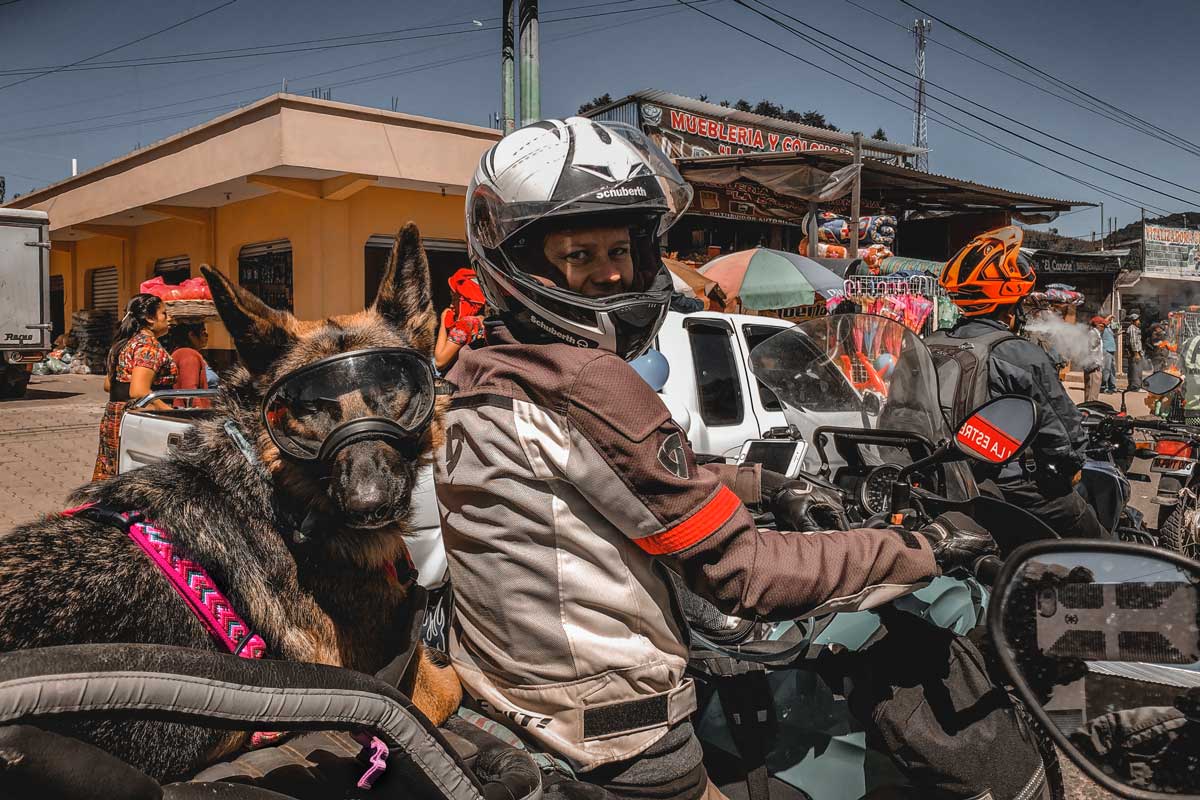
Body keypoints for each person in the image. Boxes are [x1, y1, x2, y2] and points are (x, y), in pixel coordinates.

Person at [436, 118, 1002, 800]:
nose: (613, 272)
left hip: (519, 709)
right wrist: (920, 548)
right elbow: (746, 576)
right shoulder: (589, 381)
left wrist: (764, 485)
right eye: (579, 255)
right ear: (522, 263)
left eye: (622, 247)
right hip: (623, 737)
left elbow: (600, 479)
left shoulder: (481, 375)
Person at [932, 226, 1106, 540]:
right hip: (1007, 489)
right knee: (1100, 544)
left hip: (941, 480)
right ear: (1011, 305)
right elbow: (1063, 436)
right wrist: (1070, 467)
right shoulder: (1018, 354)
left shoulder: (930, 344)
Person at [92, 293, 177, 480]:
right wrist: (171, 412)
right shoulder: (148, 347)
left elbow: (109, 385)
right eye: (164, 314)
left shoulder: (124, 344)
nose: (169, 318)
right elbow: (139, 391)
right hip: (141, 418)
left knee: (115, 473)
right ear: (149, 318)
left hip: (115, 414)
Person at [433, 268, 486, 373]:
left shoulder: (465, 324)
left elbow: (439, 362)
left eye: (454, 299)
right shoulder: (482, 320)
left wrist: (443, 321)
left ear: (464, 301)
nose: (451, 305)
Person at [166, 321, 211, 409]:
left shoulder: (182, 352)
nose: (207, 335)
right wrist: (199, 411)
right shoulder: (188, 354)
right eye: (203, 332)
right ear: (192, 335)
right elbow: (190, 389)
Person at [1084, 316, 1105, 402]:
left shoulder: (1095, 333)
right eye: (1102, 324)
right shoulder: (1093, 333)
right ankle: (1090, 410)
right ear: (1097, 325)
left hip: (1094, 365)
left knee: (1091, 391)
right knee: (1093, 393)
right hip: (1094, 367)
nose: (1103, 326)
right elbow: (1092, 350)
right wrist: (1096, 364)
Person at [1125, 312, 1145, 391]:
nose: (1138, 321)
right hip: (1134, 353)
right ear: (1133, 321)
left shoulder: (1134, 328)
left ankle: (1133, 386)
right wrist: (1136, 353)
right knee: (1136, 369)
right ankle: (1135, 387)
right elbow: (1133, 341)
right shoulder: (1132, 328)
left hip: (1135, 352)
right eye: (1137, 320)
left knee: (1134, 369)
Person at [1101, 315, 1118, 393]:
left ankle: (1112, 386)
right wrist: (1108, 317)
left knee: (1112, 369)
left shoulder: (1109, 328)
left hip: (1111, 350)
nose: (1110, 321)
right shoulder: (1103, 327)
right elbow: (1103, 323)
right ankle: (1104, 386)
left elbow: (1112, 336)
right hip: (1106, 350)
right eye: (1109, 320)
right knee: (1106, 369)